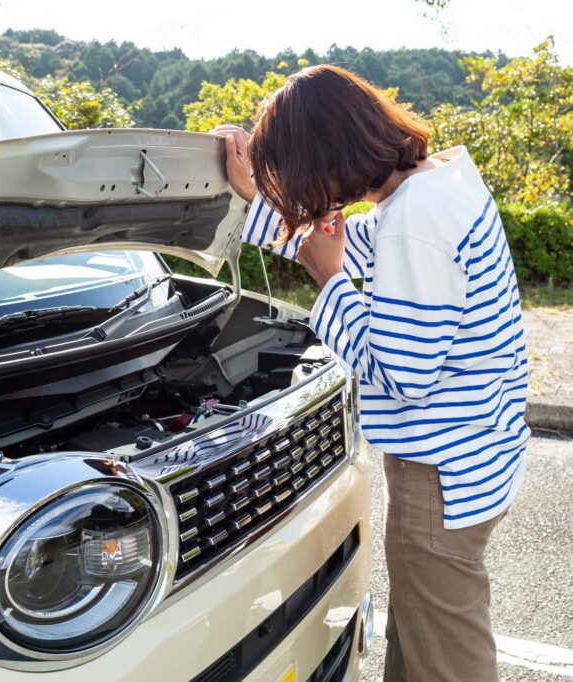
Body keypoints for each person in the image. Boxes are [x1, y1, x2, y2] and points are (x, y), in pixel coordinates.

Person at [213, 64, 528, 682]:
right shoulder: (436, 185)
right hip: (478, 454)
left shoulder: (415, 221)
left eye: (304, 173)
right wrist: (260, 199)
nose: (308, 193)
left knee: (448, 660)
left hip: (441, 477)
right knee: (419, 637)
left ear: (332, 152)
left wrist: (329, 281)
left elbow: (402, 376)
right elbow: (342, 240)